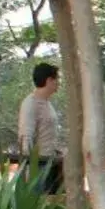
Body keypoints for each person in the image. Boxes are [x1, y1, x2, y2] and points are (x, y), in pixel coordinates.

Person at [17, 62, 64, 194]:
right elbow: (26, 136)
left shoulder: (48, 104)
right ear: (49, 80)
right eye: (57, 79)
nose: (58, 83)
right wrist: (29, 167)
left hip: (51, 163)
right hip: (38, 166)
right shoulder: (30, 103)